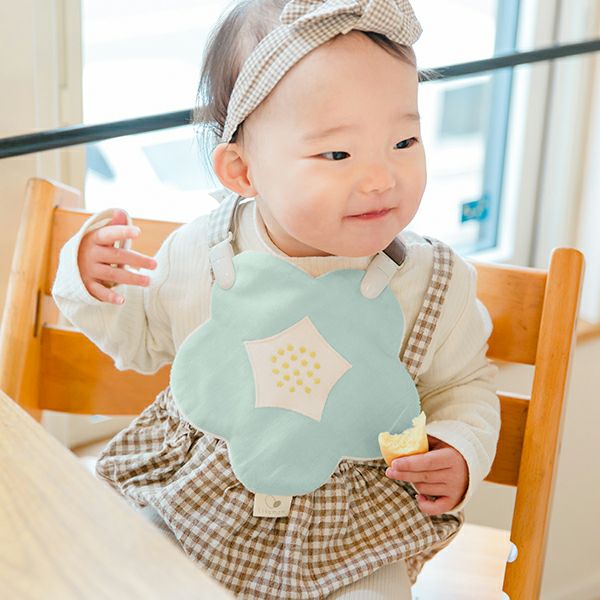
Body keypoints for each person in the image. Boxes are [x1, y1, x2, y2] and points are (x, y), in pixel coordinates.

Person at [52, 0, 500, 598]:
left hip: (350, 533)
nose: (380, 178)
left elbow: (465, 386)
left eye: (404, 140)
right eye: (337, 154)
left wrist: (460, 448)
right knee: (124, 574)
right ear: (243, 171)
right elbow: (137, 341)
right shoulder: (201, 254)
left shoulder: (433, 282)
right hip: (194, 505)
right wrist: (93, 280)